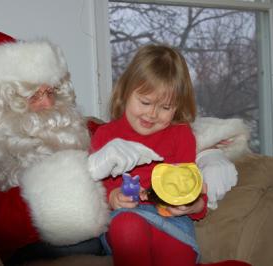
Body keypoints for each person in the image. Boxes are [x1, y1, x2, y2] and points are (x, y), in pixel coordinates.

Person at [0, 31, 162, 264]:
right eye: (34, 96)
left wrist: (199, 150)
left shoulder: (79, 128)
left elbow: (146, 135)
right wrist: (83, 176)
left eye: (50, 91)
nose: (48, 104)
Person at [90, 44, 250, 266]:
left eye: (165, 107)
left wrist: (193, 205)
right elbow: (94, 187)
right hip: (124, 218)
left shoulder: (181, 135)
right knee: (128, 226)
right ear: (125, 91)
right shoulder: (106, 135)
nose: (152, 114)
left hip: (172, 221)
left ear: (178, 107)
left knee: (177, 251)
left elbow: (191, 185)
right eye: (145, 102)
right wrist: (111, 197)